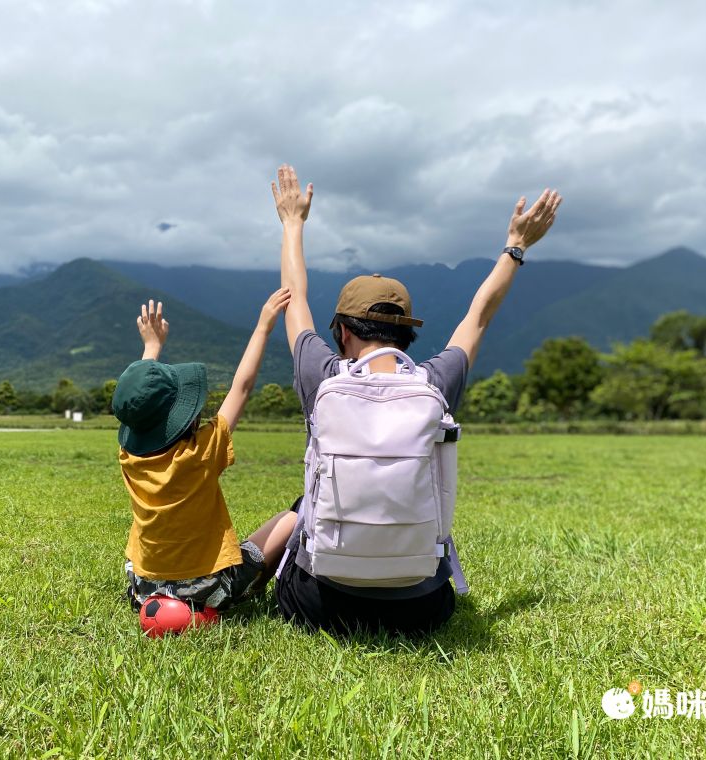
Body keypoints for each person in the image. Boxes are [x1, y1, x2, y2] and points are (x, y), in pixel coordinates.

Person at [270, 164, 562, 636]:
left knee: (302, 503)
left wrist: (292, 222)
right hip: (421, 609)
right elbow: (479, 314)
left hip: (321, 604)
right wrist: (517, 246)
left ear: (342, 331)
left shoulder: (320, 377)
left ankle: (232, 575)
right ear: (406, 336)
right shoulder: (433, 384)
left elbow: (295, 296)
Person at [113, 292, 298, 612]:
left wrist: (150, 349)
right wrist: (263, 327)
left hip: (146, 588)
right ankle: (252, 591)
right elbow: (242, 386)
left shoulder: (129, 457)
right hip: (208, 590)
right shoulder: (199, 452)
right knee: (291, 519)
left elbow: (141, 404)